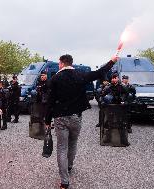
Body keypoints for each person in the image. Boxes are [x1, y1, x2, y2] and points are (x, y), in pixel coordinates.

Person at [45, 54, 117, 189]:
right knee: (73, 142)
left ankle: (64, 181)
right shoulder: (80, 75)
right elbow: (100, 72)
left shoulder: (55, 79)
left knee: (62, 147)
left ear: (61, 63)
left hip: (60, 117)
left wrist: (47, 120)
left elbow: (50, 102)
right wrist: (112, 61)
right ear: (72, 63)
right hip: (76, 117)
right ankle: (69, 165)